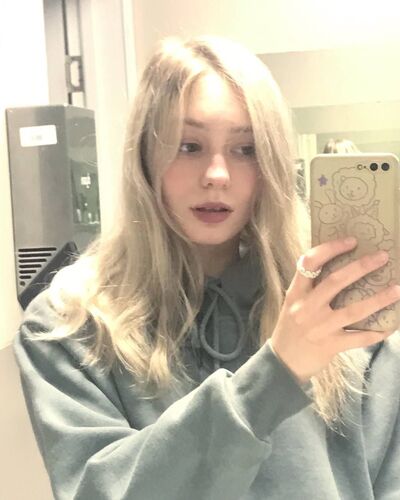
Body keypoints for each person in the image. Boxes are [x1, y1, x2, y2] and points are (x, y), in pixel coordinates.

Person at [14, 36, 400, 500]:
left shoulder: (337, 311)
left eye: (246, 149)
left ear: (273, 164)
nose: (217, 174)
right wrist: (275, 376)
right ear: (144, 155)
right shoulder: (68, 324)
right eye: (189, 145)